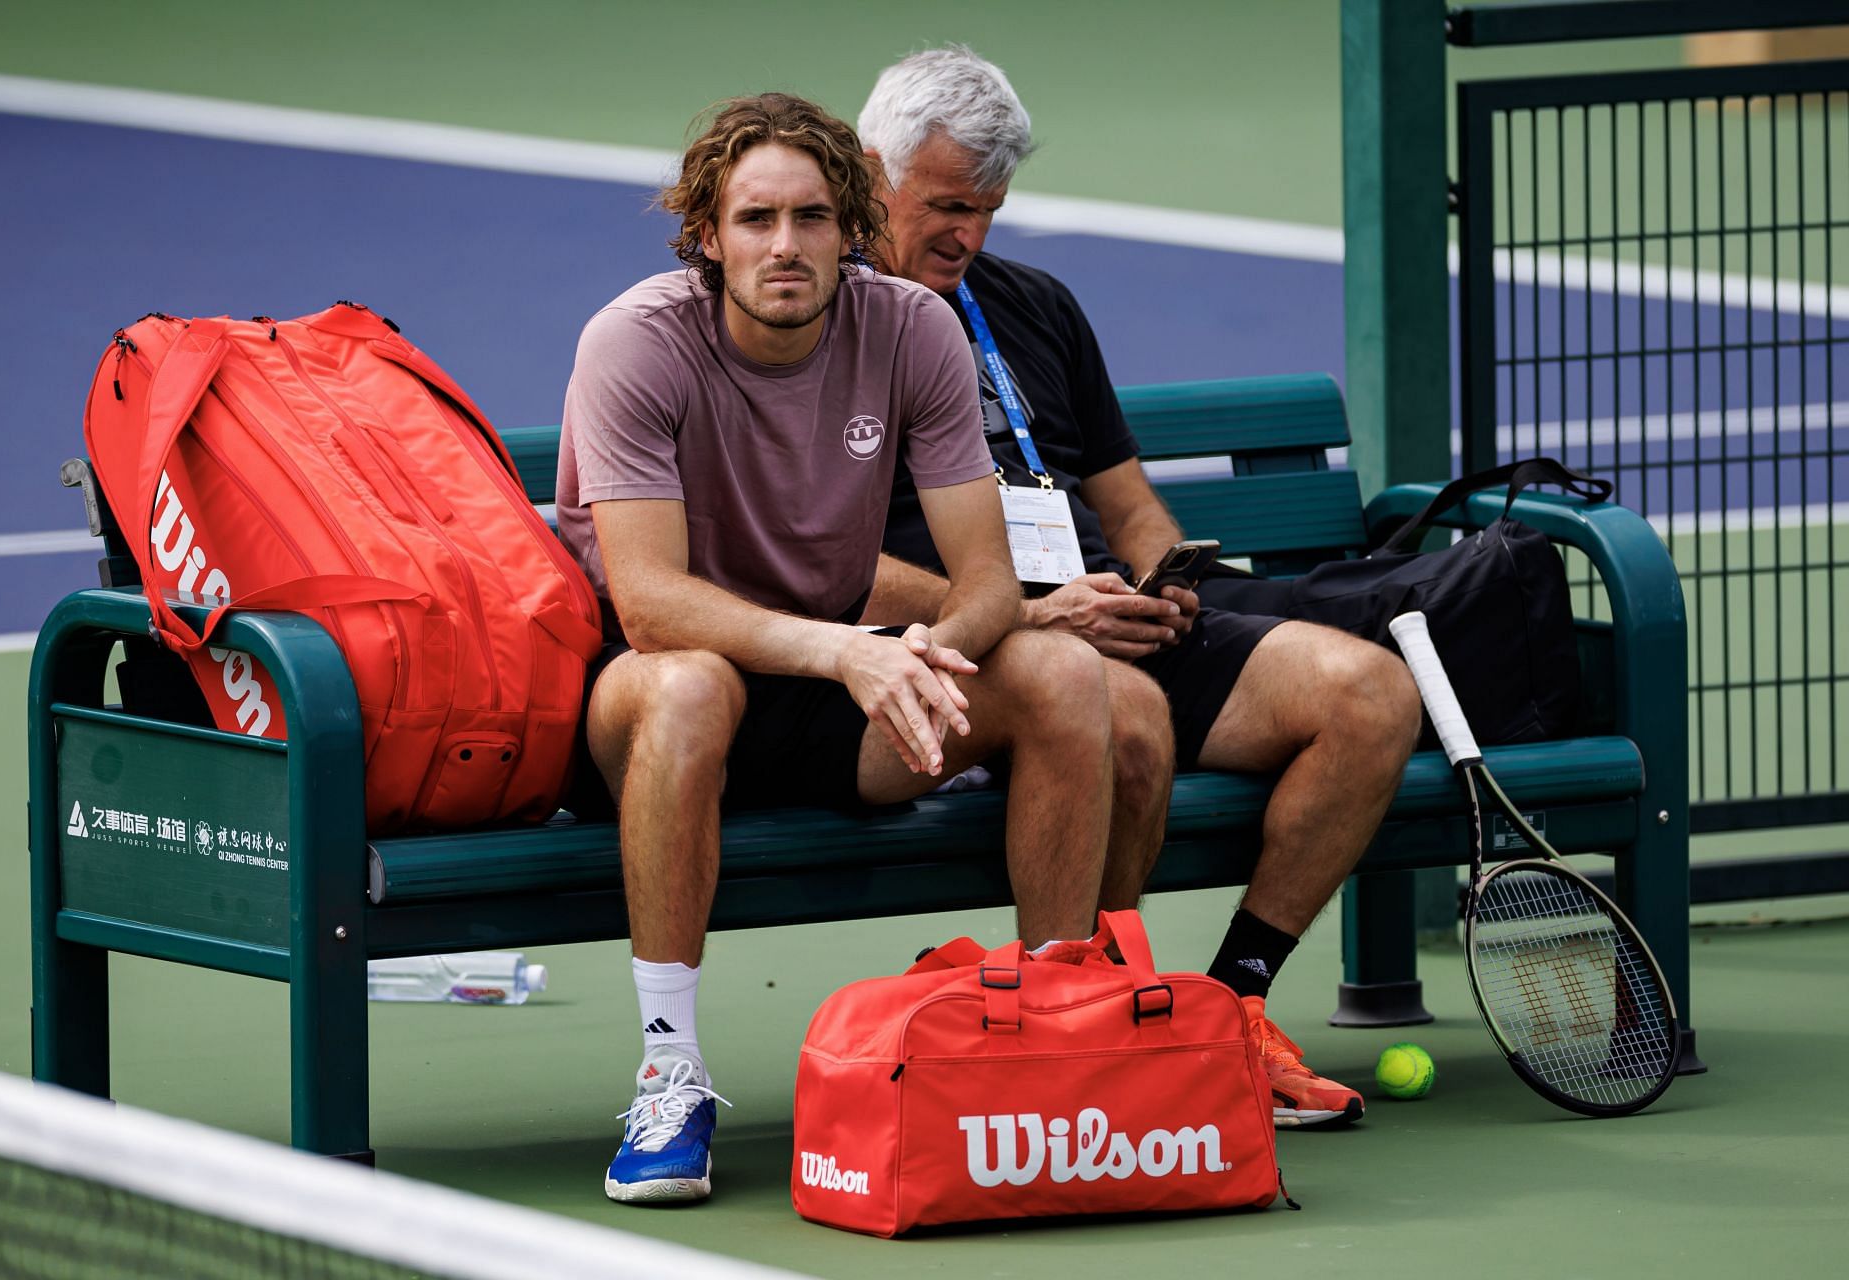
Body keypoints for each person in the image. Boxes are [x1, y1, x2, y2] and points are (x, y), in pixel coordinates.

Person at [557, 92, 1151, 1205]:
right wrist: (849, 650)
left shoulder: (912, 329)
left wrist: (926, 653)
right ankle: (670, 1072)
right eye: (755, 219)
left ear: (851, 229)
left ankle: (1045, 1040)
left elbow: (983, 582)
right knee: (689, 688)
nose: (785, 245)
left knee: (1064, 668)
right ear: (706, 233)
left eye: (814, 218)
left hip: (848, 692)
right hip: (652, 706)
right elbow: (648, 605)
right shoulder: (634, 342)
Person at [856, 47, 1422, 1129]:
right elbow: (821, 560)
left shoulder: (1033, 304)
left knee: (1371, 694)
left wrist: (1162, 580)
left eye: (987, 209)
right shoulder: (820, 328)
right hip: (967, 641)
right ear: (870, 170)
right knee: (1126, 718)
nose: (966, 236)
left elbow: (1126, 498)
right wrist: (1029, 612)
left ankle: (1231, 1006)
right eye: (944, 205)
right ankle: (1083, 1025)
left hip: (1104, 617)